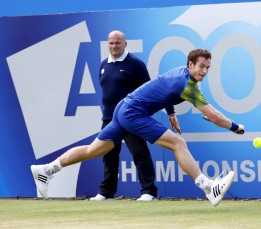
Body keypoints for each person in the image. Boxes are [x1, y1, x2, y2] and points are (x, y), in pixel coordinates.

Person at [31, 48, 245, 206]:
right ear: (190, 65)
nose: (205, 71)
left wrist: (170, 112)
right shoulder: (187, 85)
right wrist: (236, 127)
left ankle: (47, 170)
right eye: (201, 66)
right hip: (133, 112)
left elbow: (163, 88)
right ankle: (208, 188)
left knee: (94, 150)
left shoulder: (180, 72)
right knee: (178, 143)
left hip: (123, 107)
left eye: (208, 67)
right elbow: (214, 116)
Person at [90, 30, 157, 201]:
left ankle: (149, 192)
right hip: (109, 119)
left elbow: (149, 90)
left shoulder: (135, 64)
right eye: (111, 43)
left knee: (139, 154)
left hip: (131, 118)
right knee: (108, 156)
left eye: (118, 43)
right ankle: (106, 192)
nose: (114, 46)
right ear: (107, 44)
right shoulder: (104, 64)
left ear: (125, 44)